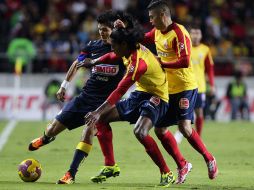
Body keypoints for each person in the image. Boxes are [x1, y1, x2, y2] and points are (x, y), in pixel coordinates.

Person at [64, 24, 179, 187]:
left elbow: (119, 91)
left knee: (140, 131)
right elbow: (111, 56)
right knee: (101, 119)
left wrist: (97, 111)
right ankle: (110, 165)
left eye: (114, 45)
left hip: (157, 96)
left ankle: (166, 173)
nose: (111, 48)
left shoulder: (138, 64)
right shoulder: (127, 48)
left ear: (123, 45)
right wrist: (94, 61)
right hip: (141, 93)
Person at [28, 11, 126, 184]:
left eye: (105, 29)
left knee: (88, 130)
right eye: (100, 29)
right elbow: (77, 63)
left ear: (113, 29)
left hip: (104, 104)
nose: (102, 33)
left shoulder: (122, 48)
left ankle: (70, 174)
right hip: (85, 97)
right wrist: (63, 86)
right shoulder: (92, 46)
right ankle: (45, 138)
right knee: (52, 129)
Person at [138, 0, 218, 180]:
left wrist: (161, 62)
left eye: (152, 17)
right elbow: (141, 37)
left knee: (184, 128)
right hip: (167, 88)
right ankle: (182, 164)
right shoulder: (157, 32)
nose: (150, 21)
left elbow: (184, 61)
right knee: (159, 129)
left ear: (162, 15)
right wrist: (124, 29)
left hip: (185, 86)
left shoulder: (179, 32)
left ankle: (209, 159)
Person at [174, 26, 215, 141]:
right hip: (184, 84)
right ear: (189, 35)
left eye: (198, 33)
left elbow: (209, 69)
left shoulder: (205, 49)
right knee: (181, 110)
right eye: (193, 33)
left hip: (199, 86)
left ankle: (199, 137)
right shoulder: (185, 47)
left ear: (201, 35)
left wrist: (212, 84)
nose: (196, 36)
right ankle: (179, 132)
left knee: (199, 112)